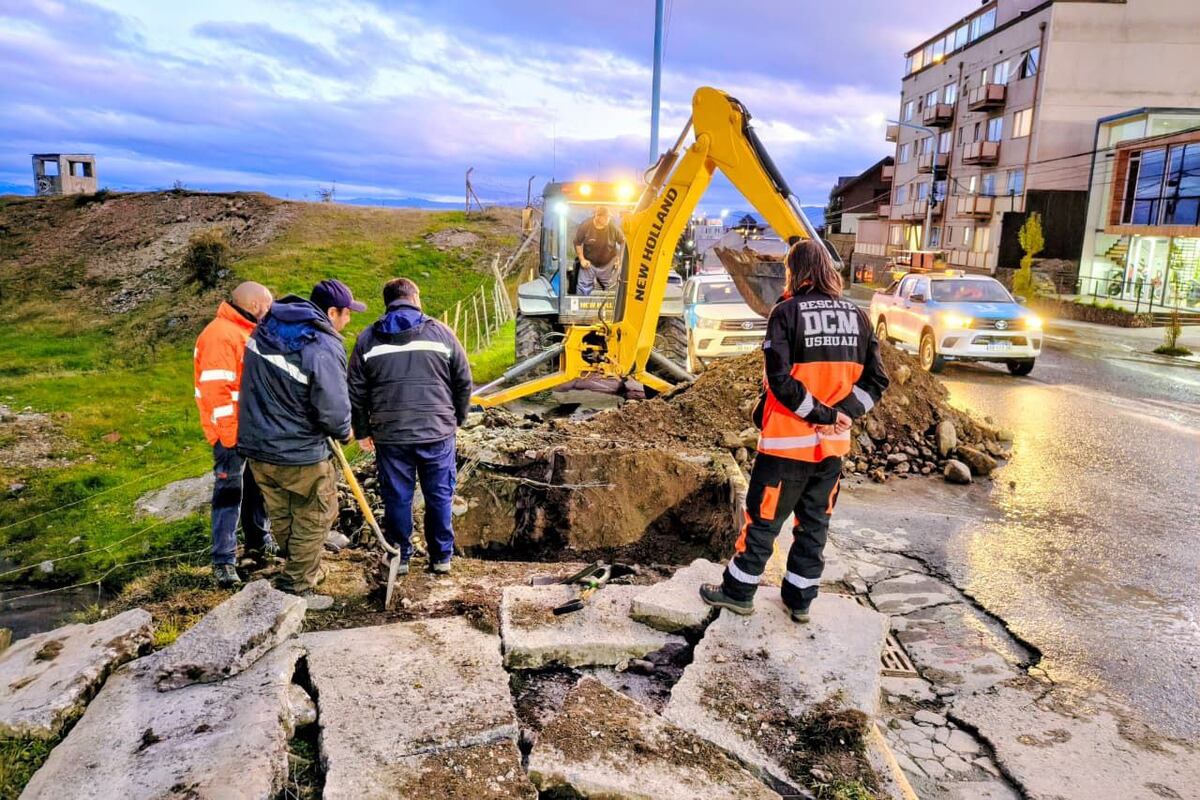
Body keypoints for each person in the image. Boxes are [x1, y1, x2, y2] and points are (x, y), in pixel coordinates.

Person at [700, 239, 889, 623]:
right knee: (814, 525)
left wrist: (819, 413)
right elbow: (877, 380)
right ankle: (800, 601)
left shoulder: (786, 312)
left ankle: (738, 593)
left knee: (763, 521)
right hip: (832, 450)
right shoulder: (858, 316)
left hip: (786, 447)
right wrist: (844, 414)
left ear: (794, 271)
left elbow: (780, 381)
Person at [238, 279, 366, 609]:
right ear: (331, 312)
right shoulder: (321, 344)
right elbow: (333, 406)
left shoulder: (266, 327)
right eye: (347, 313)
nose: (349, 320)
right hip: (299, 450)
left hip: (257, 446)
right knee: (318, 512)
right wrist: (343, 430)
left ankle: (300, 567)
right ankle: (297, 586)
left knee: (282, 512)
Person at [348, 278, 472, 575]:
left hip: (391, 436)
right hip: (437, 431)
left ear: (387, 302)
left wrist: (363, 430)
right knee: (440, 495)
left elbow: (355, 390)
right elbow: (463, 380)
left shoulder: (368, 339)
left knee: (397, 497)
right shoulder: (441, 333)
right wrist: (458, 418)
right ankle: (441, 558)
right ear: (414, 298)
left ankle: (400, 559)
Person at [194, 281, 277, 588]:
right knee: (229, 494)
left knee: (255, 487)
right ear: (254, 304)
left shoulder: (243, 330)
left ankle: (259, 540)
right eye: (267, 305)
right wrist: (230, 437)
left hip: (250, 430)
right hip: (232, 434)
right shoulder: (221, 335)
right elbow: (217, 391)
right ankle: (223, 560)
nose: (269, 310)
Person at [573, 206, 625, 295]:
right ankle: (582, 307)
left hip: (608, 262)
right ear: (597, 216)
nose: (608, 219)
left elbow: (623, 241)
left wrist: (620, 259)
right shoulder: (586, 226)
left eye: (608, 217)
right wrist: (582, 259)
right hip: (589, 263)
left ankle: (609, 308)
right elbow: (577, 242)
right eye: (605, 217)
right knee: (583, 287)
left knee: (611, 288)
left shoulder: (612, 227)